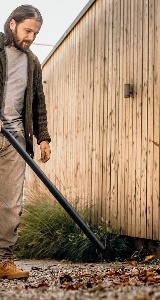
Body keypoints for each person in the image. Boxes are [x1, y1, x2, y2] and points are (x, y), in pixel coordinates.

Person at [0, 5, 51, 279]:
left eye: (35, 32)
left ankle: (3, 261)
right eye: (27, 30)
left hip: (15, 139)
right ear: (12, 25)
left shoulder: (32, 62)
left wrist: (43, 137)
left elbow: (38, 102)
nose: (30, 37)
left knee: (10, 204)